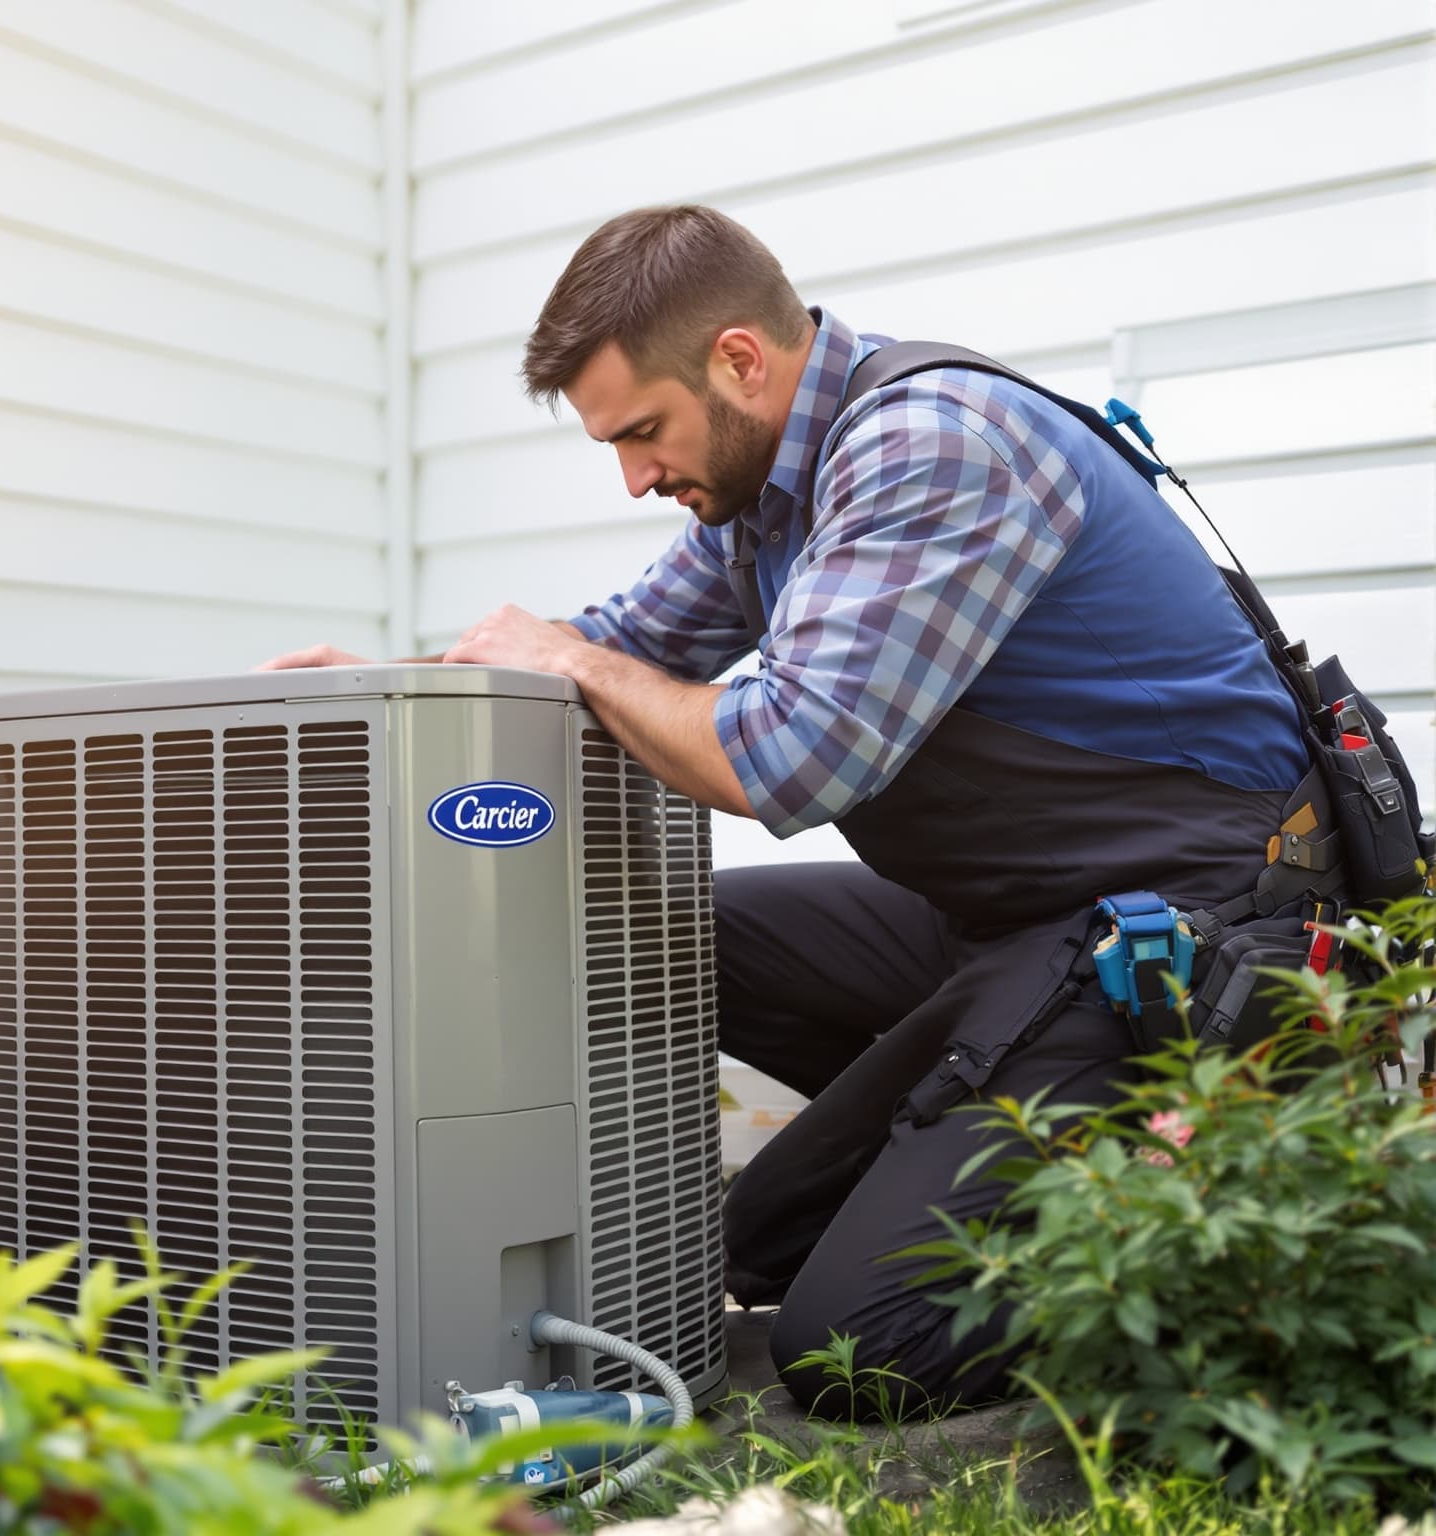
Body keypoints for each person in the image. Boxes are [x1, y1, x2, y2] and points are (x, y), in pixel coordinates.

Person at [262, 205, 1325, 1416]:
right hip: (1004, 920)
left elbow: (783, 759)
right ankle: (959, 1138)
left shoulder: (932, 447)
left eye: (643, 433)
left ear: (738, 361)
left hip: (1181, 943)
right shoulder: (764, 487)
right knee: (683, 1021)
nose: (635, 476)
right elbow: (610, 647)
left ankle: (1237, 1210)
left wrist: (583, 664)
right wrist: (384, 698)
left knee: (852, 1342)